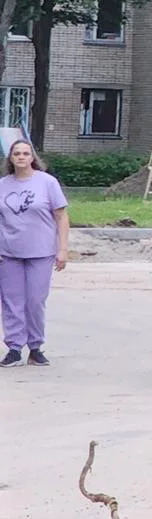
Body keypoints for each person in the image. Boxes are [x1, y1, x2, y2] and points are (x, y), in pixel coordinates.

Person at [0, 137, 69, 367]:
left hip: (40, 251)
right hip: (8, 252)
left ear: (32, 158)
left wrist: (62, 249)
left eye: (25, 153)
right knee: (12, 301)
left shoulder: (47, 183)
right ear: (10, 158)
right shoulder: (3, 185)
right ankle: (14, 347)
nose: (21, 157)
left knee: (35, 300)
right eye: (16, 153)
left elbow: (61, 216)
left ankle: (36, 346)